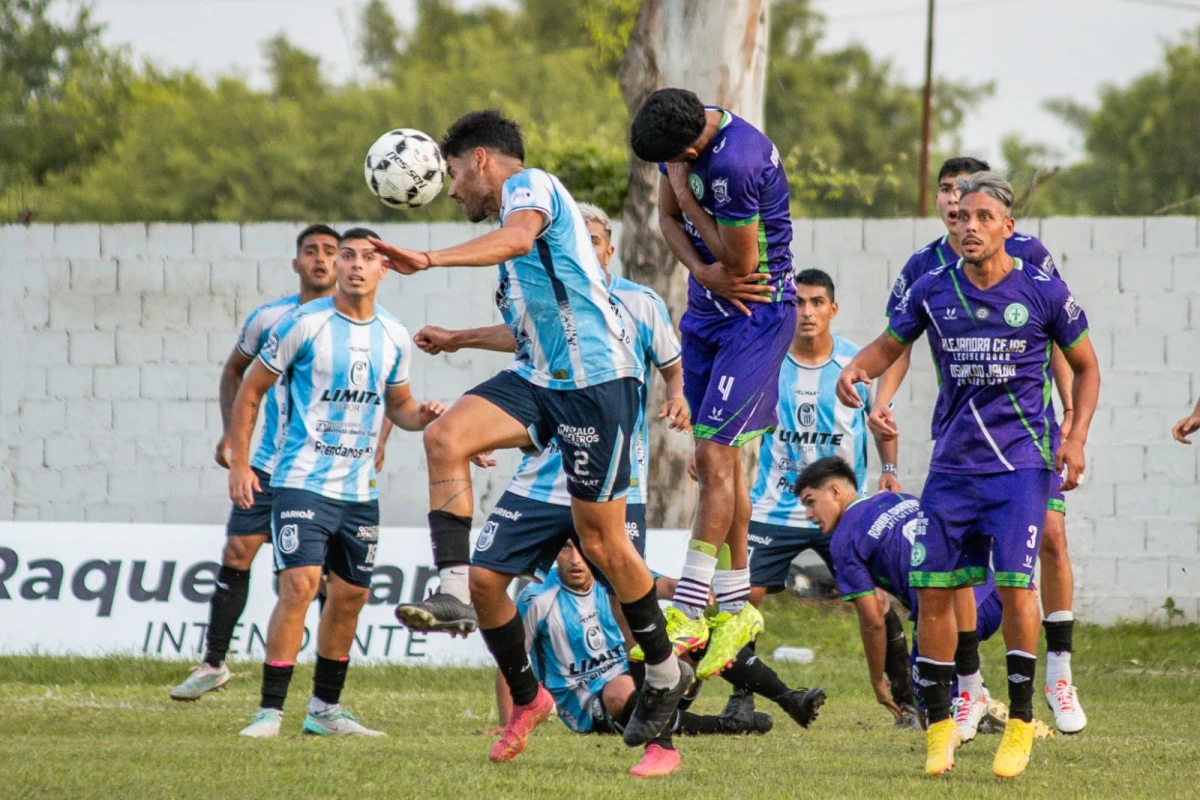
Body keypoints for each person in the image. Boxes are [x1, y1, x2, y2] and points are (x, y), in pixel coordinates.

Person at [371, 110, 688, 749]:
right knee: (445, 437)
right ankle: (458, 592)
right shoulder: (515, 253)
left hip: (598, 385)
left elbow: (516, 239)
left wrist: (427, 259)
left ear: (482, 160)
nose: (454, 189)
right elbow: (526, 328)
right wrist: (460, 339)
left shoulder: (531, 188)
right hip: (543, 382)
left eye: (455, 174)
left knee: (605, 549)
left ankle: (661, 668)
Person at [836, 173, 1100, 778]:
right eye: (962, 217)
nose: (970, 226)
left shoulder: (1042, 291)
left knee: (1013, 586)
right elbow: (890, 342)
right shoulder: (932, 288)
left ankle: (1019, 724)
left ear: (1008, 228)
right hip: (952, 470)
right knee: (933, 591)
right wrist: (857, 368)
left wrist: (1075, 437)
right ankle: (938, 729)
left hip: (1020, 467)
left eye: (984, 217)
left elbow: (1086, 367)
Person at [227, 228, 443, 737]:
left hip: (359, 492)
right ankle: (269, 712)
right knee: (299, 586)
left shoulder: (393, 334)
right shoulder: (304, 325)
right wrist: (240, 462)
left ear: (384, 269)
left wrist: (428, 417)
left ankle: (324, 711)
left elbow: (400, 408)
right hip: (301, 481)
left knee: (349, 598)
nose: (355, 265)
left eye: (368, 258)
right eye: (347, 256)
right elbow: (250, 389)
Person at [628, 87, 796, 680]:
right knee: (721, 466)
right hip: (705, 313)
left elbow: (742, 267)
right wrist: (699, 270)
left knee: (713, 456)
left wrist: (691, 208)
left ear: (693, 145)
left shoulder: (736, 161)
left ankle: (690, 609)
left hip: (755, 316)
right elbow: (665, 221)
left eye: (675, 162)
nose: (670, 173)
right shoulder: (675, 144)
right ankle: (736, 604)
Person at [170, 224, 340, 701]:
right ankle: (213, 663)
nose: (322, 260)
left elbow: (384, 393)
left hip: (322, 472)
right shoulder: (270, 318)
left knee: (320, 576)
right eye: (312, 252)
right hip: (268, 464)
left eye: (331, 251)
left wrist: (380, 444)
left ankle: (328, 688)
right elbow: (234, 372)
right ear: (297, 263)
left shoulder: (356, 321)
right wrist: (231, 433)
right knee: (237, 552)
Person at [731, 268, 909, 721]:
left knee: (878, 601)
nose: (806, 312)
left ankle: (906, 699)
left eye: (816, 303)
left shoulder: (855, 365)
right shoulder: (769, 362)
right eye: (798, 303)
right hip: (776, 504)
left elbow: (883, 416)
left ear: (833, 309)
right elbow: (733, 413)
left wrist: (889, 469)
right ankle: (741, 699)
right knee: (743, 599)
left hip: (845, 512)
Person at [515, 542, 774, 779]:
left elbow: (669, 586)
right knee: (620, 688)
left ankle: (777, 696)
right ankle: (723, 725)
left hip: (639, 677)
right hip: (588, 702)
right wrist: (509, 723)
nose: (575, 560)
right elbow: (513, 662)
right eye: (565, 550)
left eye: (580, 549)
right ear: (553, 552)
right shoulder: (536, 599)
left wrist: (699, 594)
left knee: (697, 634)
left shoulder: (616, 573)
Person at [797, 456, 1003, 744]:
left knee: (928, 713)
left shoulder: (844, 539)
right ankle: (976, 697)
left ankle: (983, 709)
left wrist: (877, 680)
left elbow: (872, 621)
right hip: (991, 596)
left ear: (834, 491)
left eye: (810, 501)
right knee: (947, 682)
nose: (808, 514)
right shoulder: (899, 498)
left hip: (947, 617)